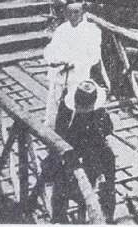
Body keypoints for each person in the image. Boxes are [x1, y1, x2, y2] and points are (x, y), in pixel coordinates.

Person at [50, 80, 115, 223]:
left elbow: (62, 133)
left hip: (91, 156)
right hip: (79, 155)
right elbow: (108, 129)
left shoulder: (97, 114)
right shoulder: (81, 114)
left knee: (103, 169)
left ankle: (106, 210)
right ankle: (106, 207)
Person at [42, 2, 103, 129]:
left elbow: (94, 57)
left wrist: (74, 63)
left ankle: (75, 130)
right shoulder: (62, 29)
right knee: (55, 100)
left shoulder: (92, 31)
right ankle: (52, 128)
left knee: (76, 104)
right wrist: (52, 60)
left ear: (83, 12)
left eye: (76, 12)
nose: (73, 16)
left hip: (77, 74)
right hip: (59, 71)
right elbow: (51, 48)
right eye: (69, 12)